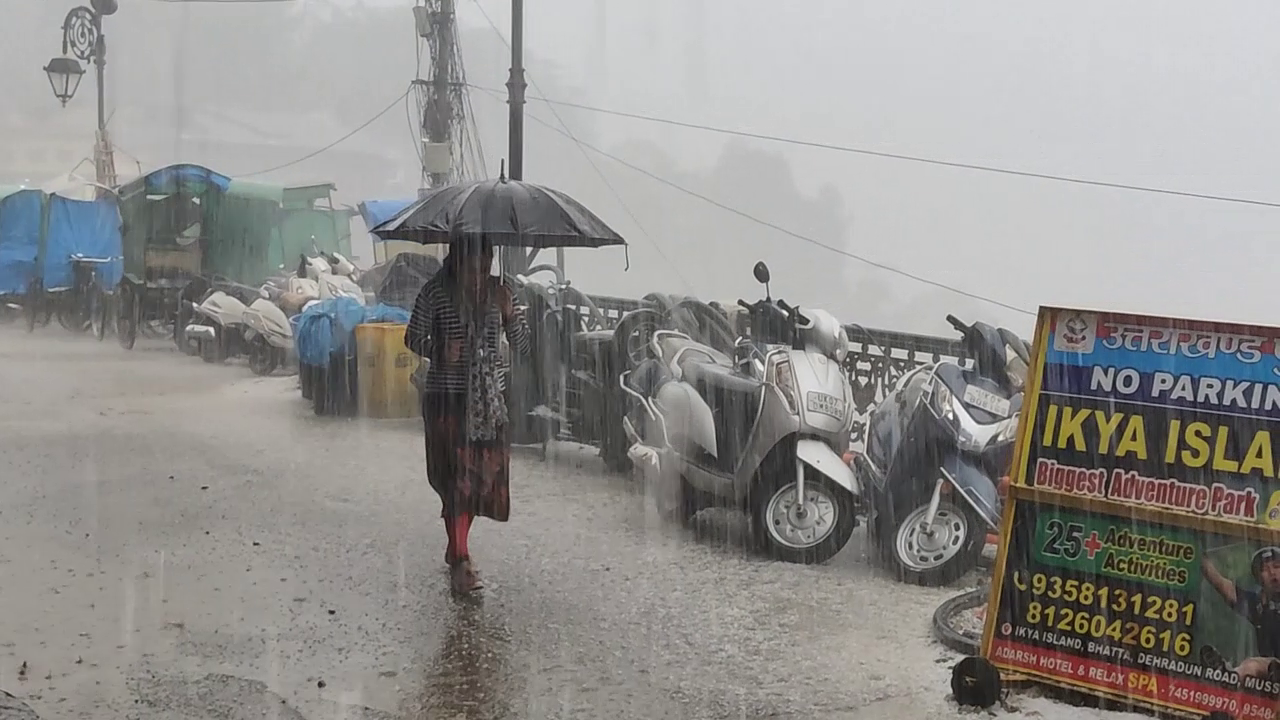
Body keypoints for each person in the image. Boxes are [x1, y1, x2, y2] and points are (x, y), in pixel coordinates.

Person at [405, 236, 531, 594]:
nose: (479, 275)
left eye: (485, 265)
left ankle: (456, 547)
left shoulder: (502, 292)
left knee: (475, 483)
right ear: (456, 262)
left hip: (488, 404)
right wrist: (440, 348)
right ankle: (461, 559)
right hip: (447, 400)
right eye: (472, 267)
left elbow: (523, 346)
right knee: (456, 482)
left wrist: (508, 316)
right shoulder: (436, 293)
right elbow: (412, 336)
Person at [1200, 547, 1280, 680]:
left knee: (1253, 665)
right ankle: (1228, 675)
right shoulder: (1258, 605)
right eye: (1265, 569)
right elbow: (1221, 584)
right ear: (1259, 579)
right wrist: (1199, 554)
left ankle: (1230, 677)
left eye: (1277, 566)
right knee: (1252, 666)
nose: (1272, 573)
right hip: (1272, 669)